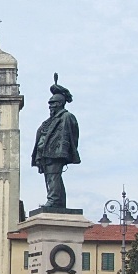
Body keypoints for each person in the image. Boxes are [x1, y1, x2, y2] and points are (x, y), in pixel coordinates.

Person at [31, 75, 80, 209]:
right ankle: (57, 201)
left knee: (53, 177)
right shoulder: (49, 120)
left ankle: (54, 200)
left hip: (56, 153)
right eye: (49, 104)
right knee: (50, 178)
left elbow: (73, 135)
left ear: (59, 103)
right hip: (45, 154)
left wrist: (64, 151)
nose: (50, 106)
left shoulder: (67, 117)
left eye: (52, 103)